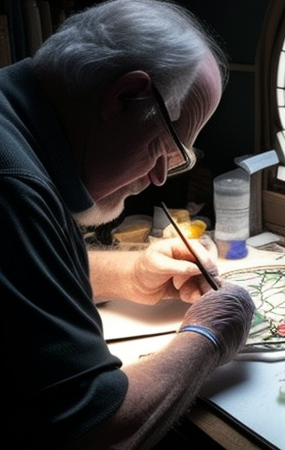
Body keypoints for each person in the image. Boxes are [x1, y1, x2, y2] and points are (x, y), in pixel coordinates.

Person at [1, 1, 255, 449]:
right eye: (167, 150)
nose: (158, 177)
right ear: (123, 98)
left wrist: (131, 274)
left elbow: (19, 283)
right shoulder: (13, 186)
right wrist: (209, 337)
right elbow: (95, 432)